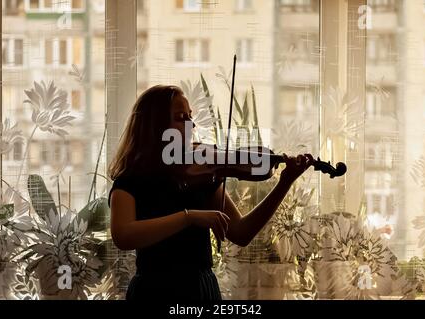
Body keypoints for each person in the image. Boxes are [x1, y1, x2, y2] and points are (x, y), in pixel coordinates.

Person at [108, 85, 313, 301]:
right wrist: (189, 217)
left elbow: (241, 233)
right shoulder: (131, 180)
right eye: (181, 117)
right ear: (154, 126)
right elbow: (123, 235)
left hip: (200, 289)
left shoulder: (202, 175)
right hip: (154, 291)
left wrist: (285, 183)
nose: (191, 124)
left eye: (190, 116)